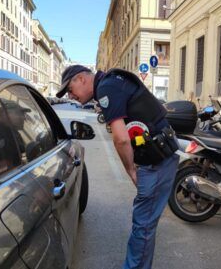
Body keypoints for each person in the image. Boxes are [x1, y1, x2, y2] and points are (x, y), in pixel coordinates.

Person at [56, 65, 179, 269]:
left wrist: (131, 170)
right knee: (145, 224)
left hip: (156, 162)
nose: (71, 95)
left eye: (70, 89)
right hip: (159, 156)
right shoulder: (113, 81)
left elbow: (121, 140)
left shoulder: (106, 87)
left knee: (143, 225)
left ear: (81, 79)